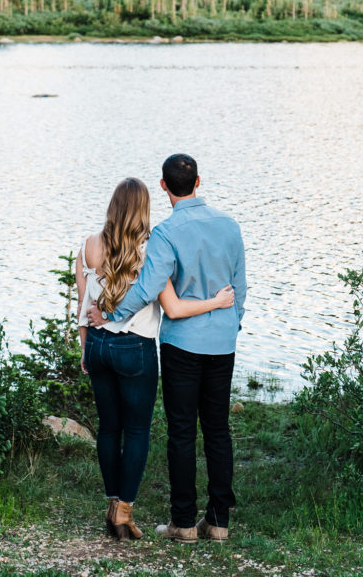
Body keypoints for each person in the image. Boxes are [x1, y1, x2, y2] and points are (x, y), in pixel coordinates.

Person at [89, 154, 246, 544]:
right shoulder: (230, 226)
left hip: (181, 344)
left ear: (163, 186)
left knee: (181, 431)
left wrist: (109, 310)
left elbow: (145, 290)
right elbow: (239, 288)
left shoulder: (165, 232)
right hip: (222, 343)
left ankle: (184, 523)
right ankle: (219, 521)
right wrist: (231, 324)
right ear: (198, 182)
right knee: (218, 430)